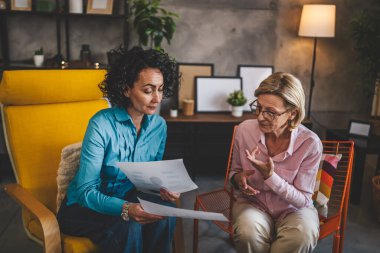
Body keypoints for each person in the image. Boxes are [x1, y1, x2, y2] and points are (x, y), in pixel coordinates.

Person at [57, 46, 181, 253]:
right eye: (148, 90)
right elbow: (86, 191)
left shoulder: (159, 126)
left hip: (127, 197)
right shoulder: (101, 124)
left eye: (160, 89)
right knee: (128, 226)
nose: (157, 99)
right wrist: (125, 209)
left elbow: (146, 179)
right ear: (126, 89)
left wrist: (161, 188)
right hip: (83, 208)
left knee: (165, 213)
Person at [229, 72, 322, 253]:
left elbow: (303, 200)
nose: (260, 117)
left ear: (292, 113)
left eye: (270, 112)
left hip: (294, 209)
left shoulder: (310, 143)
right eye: (258, 107)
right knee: (247, 233)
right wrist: (239, 179)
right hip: (253, 203)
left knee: (303, 235)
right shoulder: (244, 131)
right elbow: (234, 173)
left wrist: (270, 177)